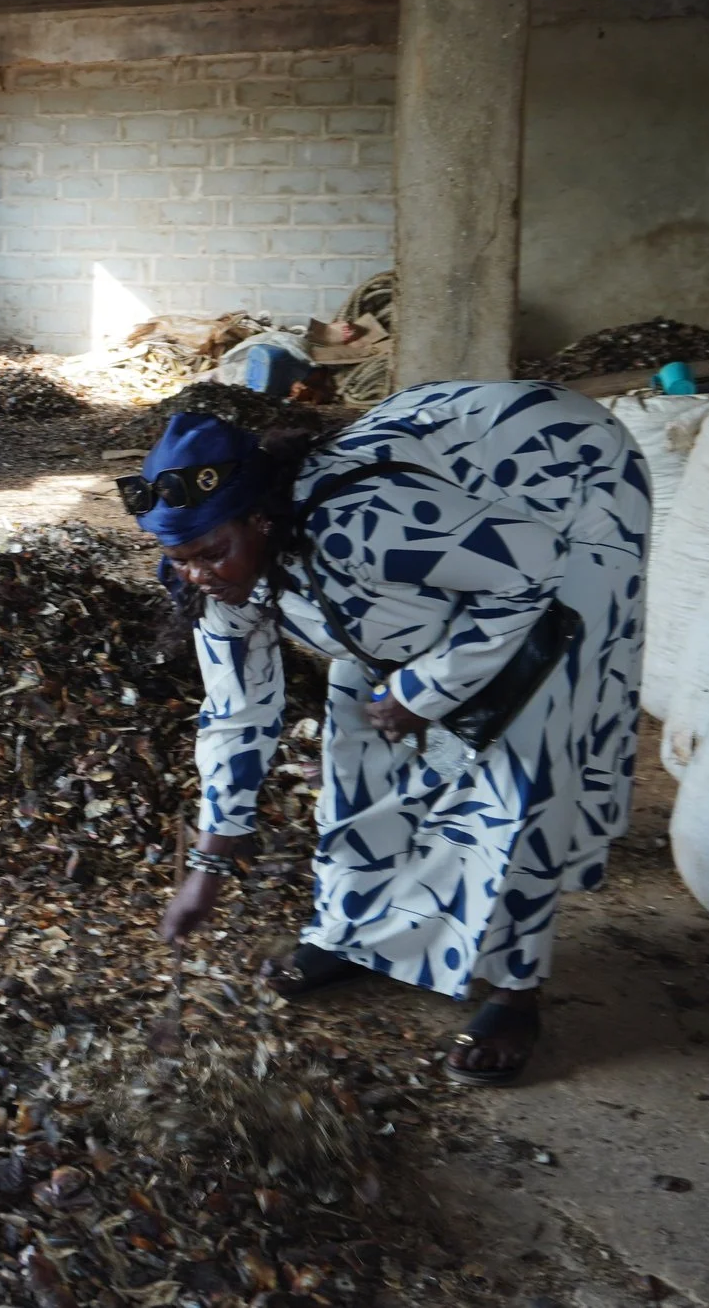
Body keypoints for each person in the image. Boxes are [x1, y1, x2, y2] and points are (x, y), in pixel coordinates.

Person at [136, 380, 649, 1085]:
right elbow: (237, 710)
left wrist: (425, 686)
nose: (197, 573)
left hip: (565, 483)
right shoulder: (217, 575)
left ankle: (513, 989)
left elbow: (530, 569)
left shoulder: (367, 524)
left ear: (259, 518)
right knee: (358, 739)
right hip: (432, 537)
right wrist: (209, 866)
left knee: (522, 748)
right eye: (180, 557)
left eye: (209, 551)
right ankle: (352, 933)